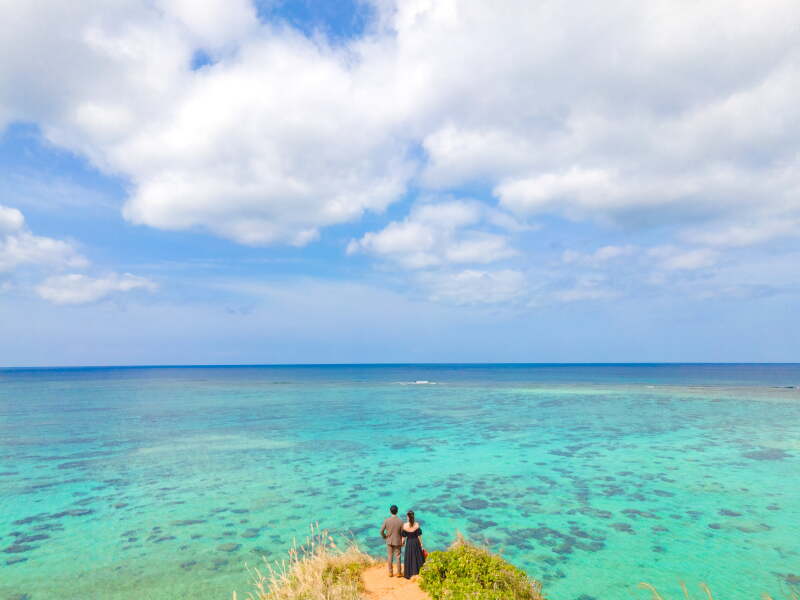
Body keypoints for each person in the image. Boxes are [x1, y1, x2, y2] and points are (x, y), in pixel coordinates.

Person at [380, 504, 404, 577]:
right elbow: (403, 533)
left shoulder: (386, 520)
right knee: (398, 557)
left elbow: (381, 531)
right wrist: (403, 540)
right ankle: (399, 573)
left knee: (390, 556)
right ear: (397, 511)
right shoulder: (400, 521)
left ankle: (390, 573)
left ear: (390, 512)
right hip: (397, 541)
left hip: (389, 540)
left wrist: (384, 537)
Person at [401, 510, 425, 579]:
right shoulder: (417, 525)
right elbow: (419, 536)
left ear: (408, 517)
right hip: (415, 542)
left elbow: (403, 537)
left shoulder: (405, 526)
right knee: (417, 557)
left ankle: (409, 573)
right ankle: (417, 572)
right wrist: (421, 544)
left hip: (409, 543)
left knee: (409, 557)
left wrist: (402, 543)